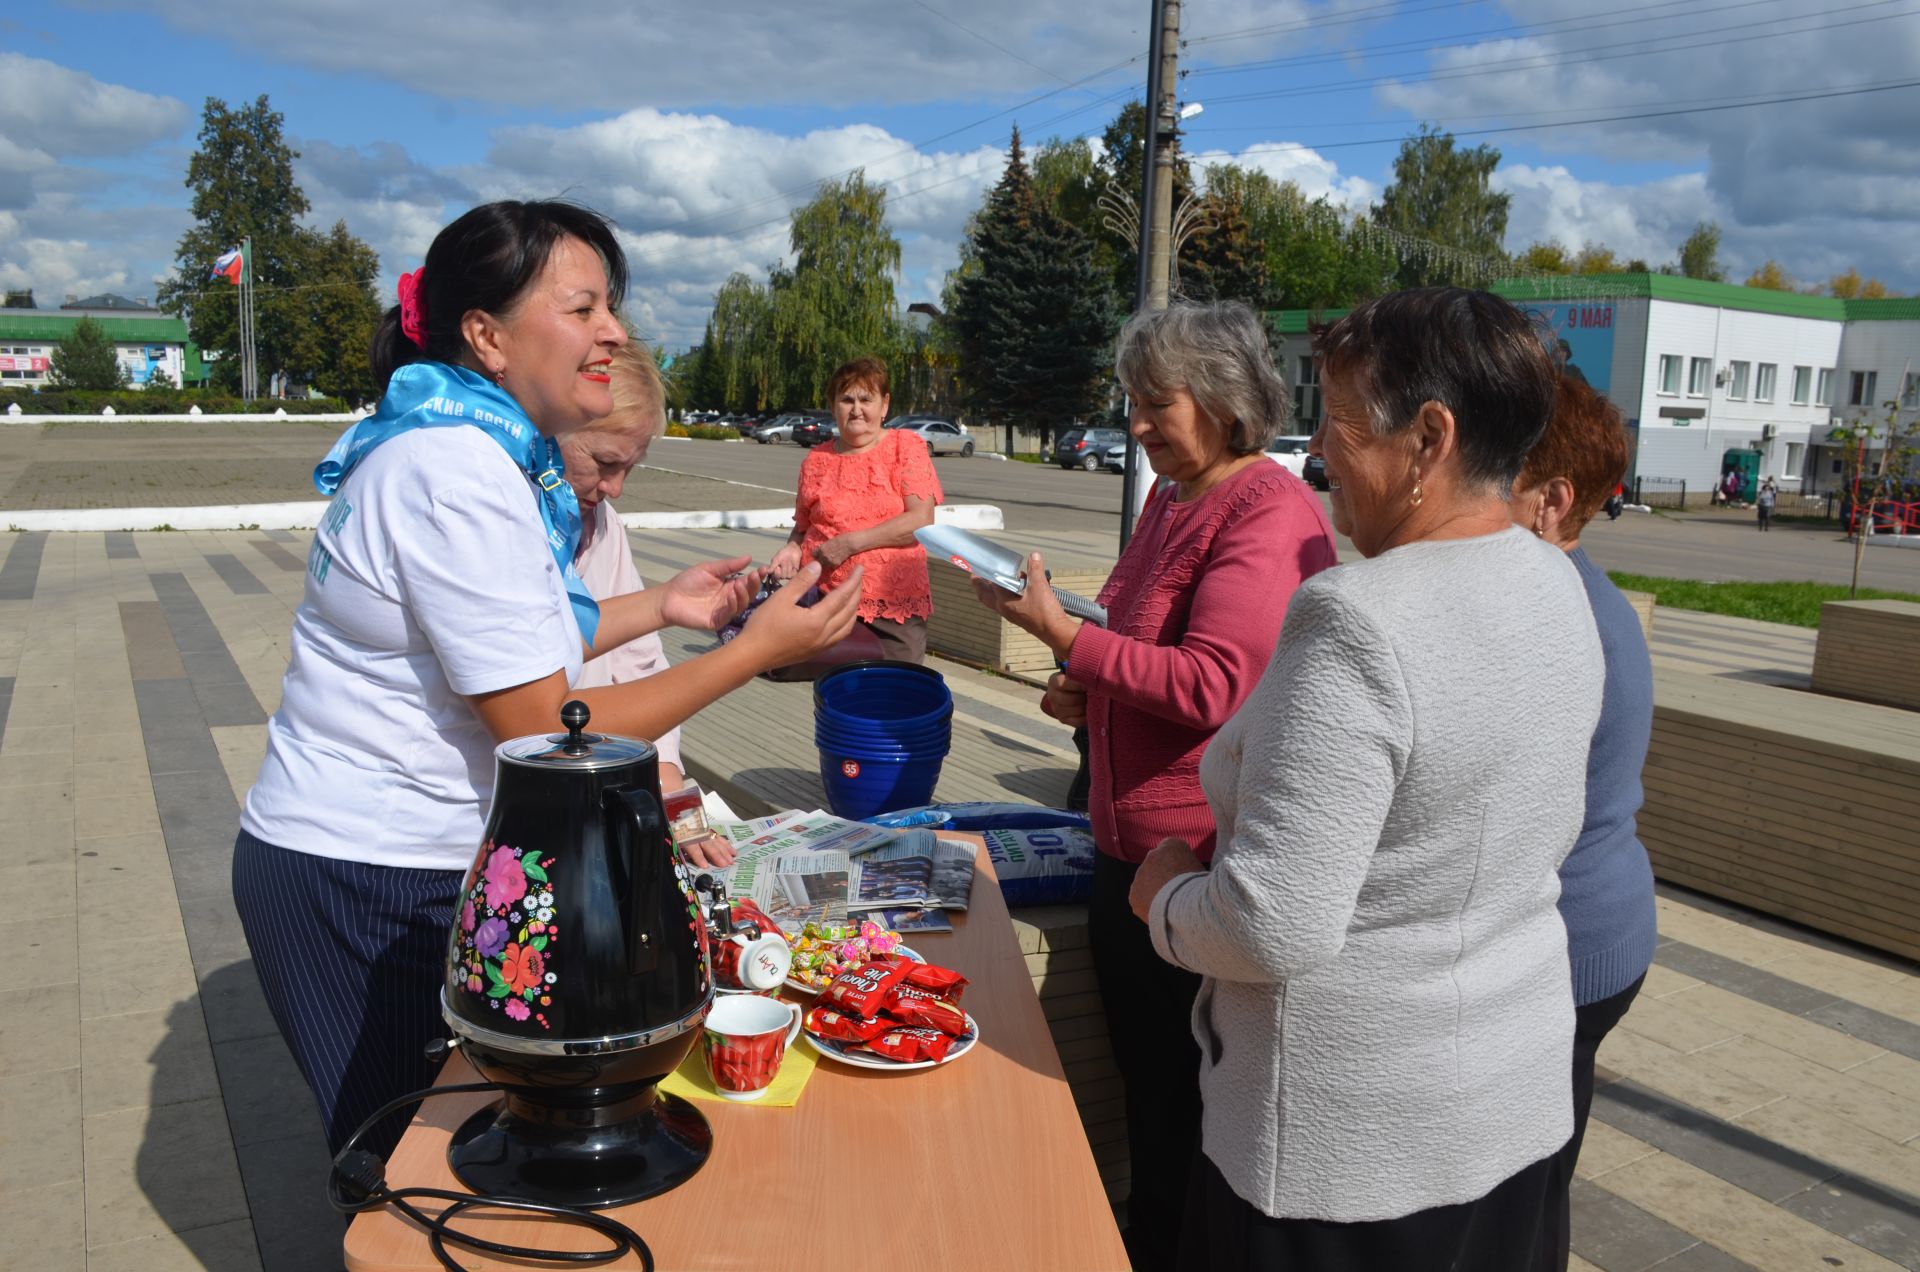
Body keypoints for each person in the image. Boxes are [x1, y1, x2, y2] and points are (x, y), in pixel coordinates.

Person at [233, 200, 862, 1159]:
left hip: (404, 861)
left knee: (454, 1146)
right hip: (367, 877)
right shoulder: (456, 474)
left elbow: (519, 646)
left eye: (610, 306)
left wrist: (668, 607)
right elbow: (544, 730)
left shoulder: (473, 452)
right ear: (486, 335)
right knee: (405, 1166)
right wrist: (751, 654)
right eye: (582, 309)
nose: (613, 331)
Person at [1129, 287, 1603, 1271]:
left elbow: (1273, 926)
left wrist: (1165, 899)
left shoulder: (1355, 618)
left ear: (1429, 440)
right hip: (1510, 1109)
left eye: (1340, 425)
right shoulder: (1554, 579)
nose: (1319, 454)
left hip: (1348, 1159)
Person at [971, 300, 1337, 1272]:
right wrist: (1085, 687)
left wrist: (1064, 636)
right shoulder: (1175, 498)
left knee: (1183, 1120)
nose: (1134, 425)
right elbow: (1141, 649)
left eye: (1152, 404)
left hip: (1195, 863)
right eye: (1129, 401)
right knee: (1150, 1106)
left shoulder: (1266, 510)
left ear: (1222, 404)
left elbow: (1218, 682)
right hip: (1125, 851)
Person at [1510, 373, 1658, 1272]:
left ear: (1554, 502)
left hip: (1569, 949)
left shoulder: (1560, 616)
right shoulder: (1579, 593)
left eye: (1499, 477)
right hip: (1595, 935)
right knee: (1538, 1181)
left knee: (1522, 1196)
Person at [559, 339, 736, 868]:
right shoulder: (502, 518)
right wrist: (750, 654)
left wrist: (669, 779)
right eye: (604, 462)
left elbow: (638, 659)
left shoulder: (601, 523)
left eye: (629, 468)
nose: (614, 488)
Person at [769, 357, 942, 663]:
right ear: (833, 406)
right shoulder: (816, 460)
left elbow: (921, 520)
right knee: (839, 700)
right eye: (847, 399)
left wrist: (850, 544)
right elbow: (803, 528)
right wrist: (791, 551)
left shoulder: (906, 446)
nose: (856, 409)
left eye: (866, 399)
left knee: (895, 698)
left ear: (884, 405)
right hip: (825, 603)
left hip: (891, 606)